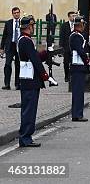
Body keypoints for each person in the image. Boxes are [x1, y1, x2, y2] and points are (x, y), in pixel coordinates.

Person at [17, 15, 49, 147]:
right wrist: (45, 74)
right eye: (32, 25)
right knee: (29, 109)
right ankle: (25, 137)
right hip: (30, 79)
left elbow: (34, 56)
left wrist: (45, 53)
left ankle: (26, 136)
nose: (33, 27)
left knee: (29, 108)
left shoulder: (24, 40)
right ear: (28, 27)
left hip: (28, 79)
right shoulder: (26, 41)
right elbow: (35, 60)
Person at [69, 15, 90, 122]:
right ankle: (77, 114)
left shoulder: (78, 36)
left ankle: (77, 113)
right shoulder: (76, 36)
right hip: (78, 66)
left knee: (79, 91)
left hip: (78, 66)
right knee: (78, 92)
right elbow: (80, 51)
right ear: (79, 25)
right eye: (83, 24)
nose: (84, 27)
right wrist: (87, 61)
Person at [1, 7, 21, 90]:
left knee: (18, 65)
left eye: (17, 12)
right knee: (7, 64)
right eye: (14, 13)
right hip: (10, 46)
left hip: (19, 45)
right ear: (12, 14)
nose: (16, 14)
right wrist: (1, 48)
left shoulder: (23, 22)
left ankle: (18, 84)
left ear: (19, 13)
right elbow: (4, 36)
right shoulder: (8, 23)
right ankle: (7, 84)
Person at [59, 11, 76, 82]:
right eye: (72, 16)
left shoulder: (77, 25)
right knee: (66, 62)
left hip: (74, 47)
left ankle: (72, 75)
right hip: (66, 46)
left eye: (74, 16)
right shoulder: (64, 25)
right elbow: (62, 36)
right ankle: (66, 75)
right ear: (69, 17)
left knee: (73, 62)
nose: (73, 17)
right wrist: (61, 46)